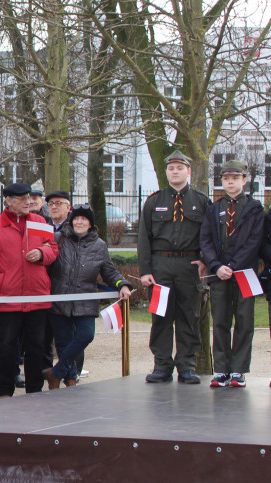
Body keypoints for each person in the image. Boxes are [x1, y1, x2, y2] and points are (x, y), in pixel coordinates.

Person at [0, 182, 59, 398]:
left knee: (36, 347)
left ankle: (34, 390)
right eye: (23, 199)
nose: (28, 202)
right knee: (6, 346)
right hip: (9, 296)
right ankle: (4, 391)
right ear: (9, 201)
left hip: (37, 295)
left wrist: (42, 254)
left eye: (30, 198)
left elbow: (52, 248)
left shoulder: (40, 221)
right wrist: (1, 281)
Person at [138, 150, 211, 384]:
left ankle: (187, 366)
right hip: (161, 267)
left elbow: (208, 237)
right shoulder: (154, 201)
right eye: (171, 168)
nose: (175, 171)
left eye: (180, 168)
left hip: (189, 267)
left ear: (188, 171)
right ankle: (162, 365)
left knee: (189, 316)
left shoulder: (201, 201)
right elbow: (143, 238)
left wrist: (206, 261)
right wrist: (146, 270)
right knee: (161, 316)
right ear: (166, 172)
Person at [45, 206, 131, 389]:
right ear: (71, 220)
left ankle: (56, 372)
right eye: (76, 219)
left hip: (85, 300)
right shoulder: (58, 238)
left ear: (91, 223)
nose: (79, 222)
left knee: (86, 335)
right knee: (63, 341)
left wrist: (122, 284)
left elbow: (109, 271)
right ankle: (69, 379)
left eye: (84, 219)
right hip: (60, 297)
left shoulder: (99, 245)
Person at [200, 159, 263, 388]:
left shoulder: (255, 208)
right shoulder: (213, 208)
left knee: (245, 321)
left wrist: (233, 266)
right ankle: (222, 370)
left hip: (245, 273)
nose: (230, 182)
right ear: (222, 181)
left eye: (235, 178)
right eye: (226, 179)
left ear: (244, 180)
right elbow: (205, 240)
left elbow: (254, 241)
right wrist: (217, 266)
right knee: (221, 322)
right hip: (220, 274)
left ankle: (238, 370)